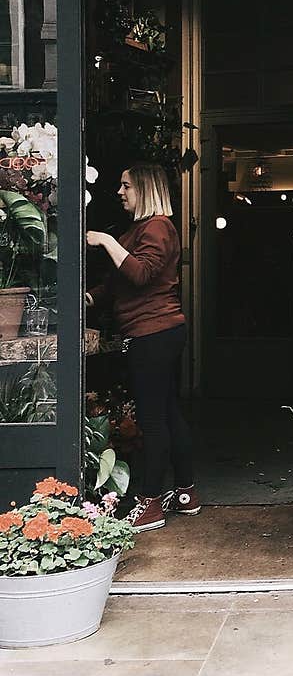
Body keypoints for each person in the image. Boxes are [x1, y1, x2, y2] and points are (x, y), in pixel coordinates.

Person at [86, 164, 200, 532]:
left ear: (145, 189)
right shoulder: (139, 229)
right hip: (158, 334)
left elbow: (139, 273)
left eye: (126, 186)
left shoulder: (158, 227)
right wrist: (90, 297)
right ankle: (185, 493)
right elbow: (121, 283)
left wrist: (104, 240)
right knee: (167, 413)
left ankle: (149, 504)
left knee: (152, 421)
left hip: (153, 335)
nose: (119, 192)